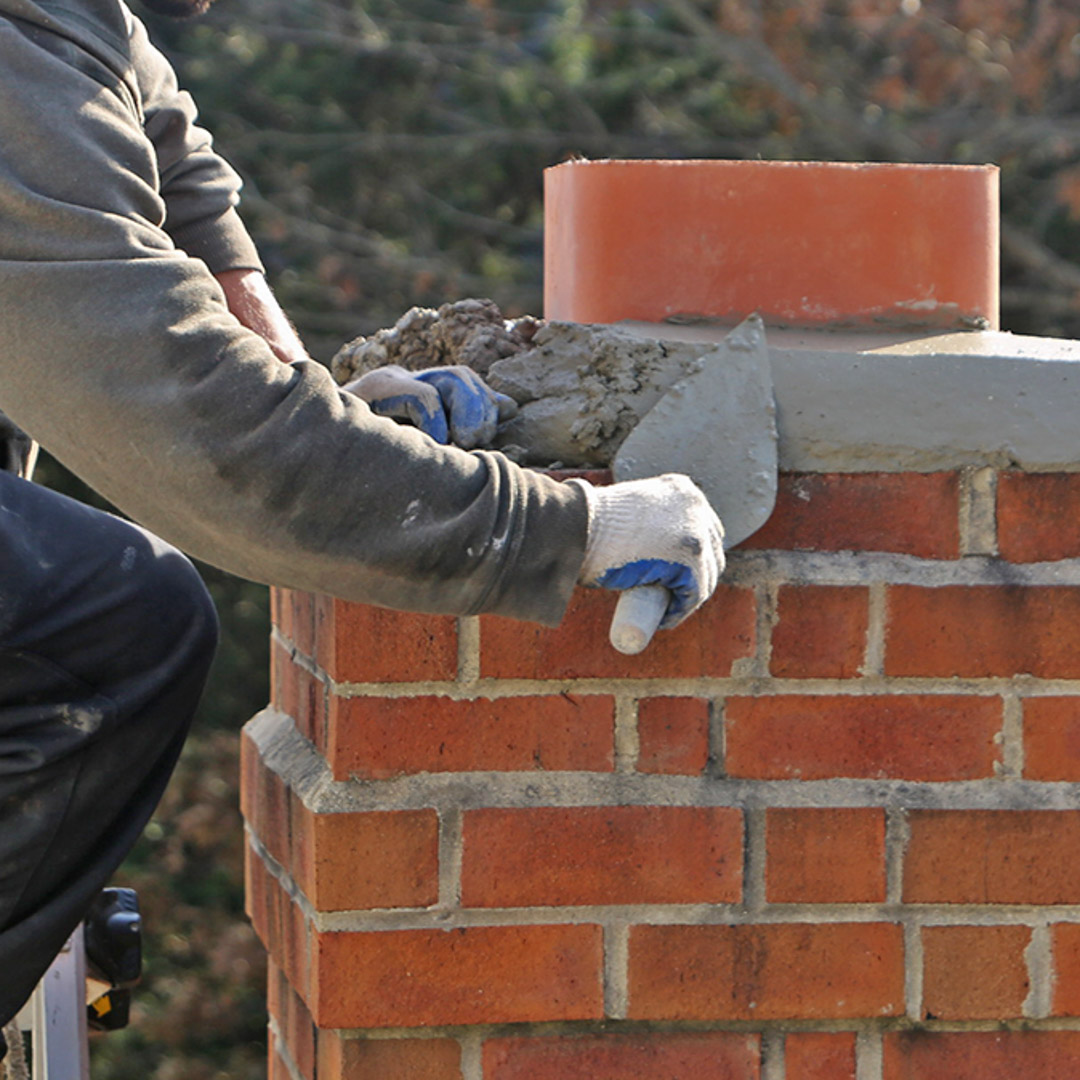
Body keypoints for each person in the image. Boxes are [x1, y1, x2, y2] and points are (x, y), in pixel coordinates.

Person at [0, 0, 724, 1050]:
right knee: (105, 620)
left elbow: (197, 233)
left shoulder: (84, 24)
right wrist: (568, 532)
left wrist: (332, 406)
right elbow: (197, 423)